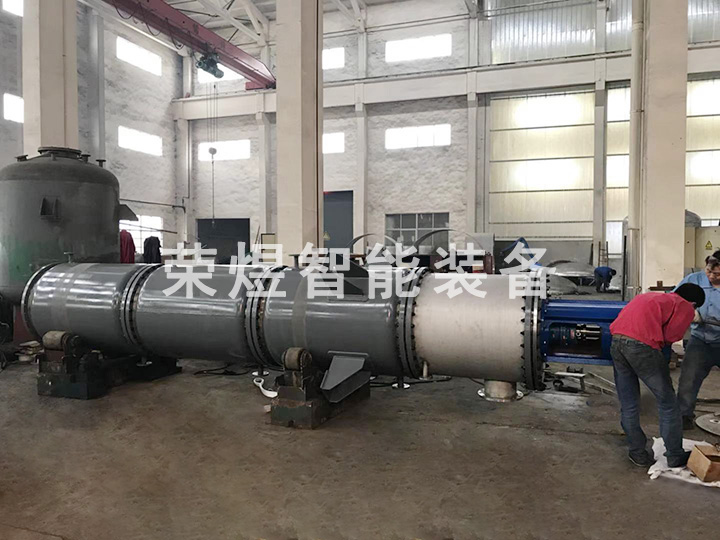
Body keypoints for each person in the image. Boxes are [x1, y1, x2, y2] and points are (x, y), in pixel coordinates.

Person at [609, 283, 705, 468]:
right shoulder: (684, 306)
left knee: (629, 404)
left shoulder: (648, 297)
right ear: (693, 303)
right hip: (642, 347)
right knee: (668, 404)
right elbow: (671, 336)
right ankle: (675, 455)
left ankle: (637, 453)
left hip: (617, 343)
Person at [675, 255, 720, 430]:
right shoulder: (694, 279)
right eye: (709, 271)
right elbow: (674, 300)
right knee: (689, 378)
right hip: (700, 340)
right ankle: (683, 415)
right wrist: (688, 311)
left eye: (717, 274)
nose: (711, 276)